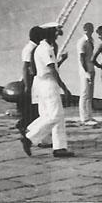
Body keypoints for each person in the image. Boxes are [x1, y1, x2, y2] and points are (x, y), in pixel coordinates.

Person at [20, 21, 73, 158]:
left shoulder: (42, 47)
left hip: (42, 84)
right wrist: (64, 88)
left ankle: (57, 146)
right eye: (55, 32)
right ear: (49, 33)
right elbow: (52, 70)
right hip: (48, 84)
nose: (57, 34)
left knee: (48, 115)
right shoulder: (46, 49)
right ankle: (30, 137)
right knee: (56, 115)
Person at [16, 26, 41, 134]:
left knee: (35, 108)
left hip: (34, 80)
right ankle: (23, 125)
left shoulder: (34, 48)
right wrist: (27, 86)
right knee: (33, 108)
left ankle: (25, 126)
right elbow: (26, 68)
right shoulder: (30, 49)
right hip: (30, 81)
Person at [77, 22, 96, 125]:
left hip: (91, 68)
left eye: (91, 29)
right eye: (88, 29)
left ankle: (89, 116)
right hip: (85, 69)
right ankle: (84, 117)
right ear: (84, 30)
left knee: (90, 94)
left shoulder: (91, 40)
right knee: (84, 93)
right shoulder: (82, 42)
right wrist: (86, 72)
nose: (90, 31)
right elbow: (82, 58)